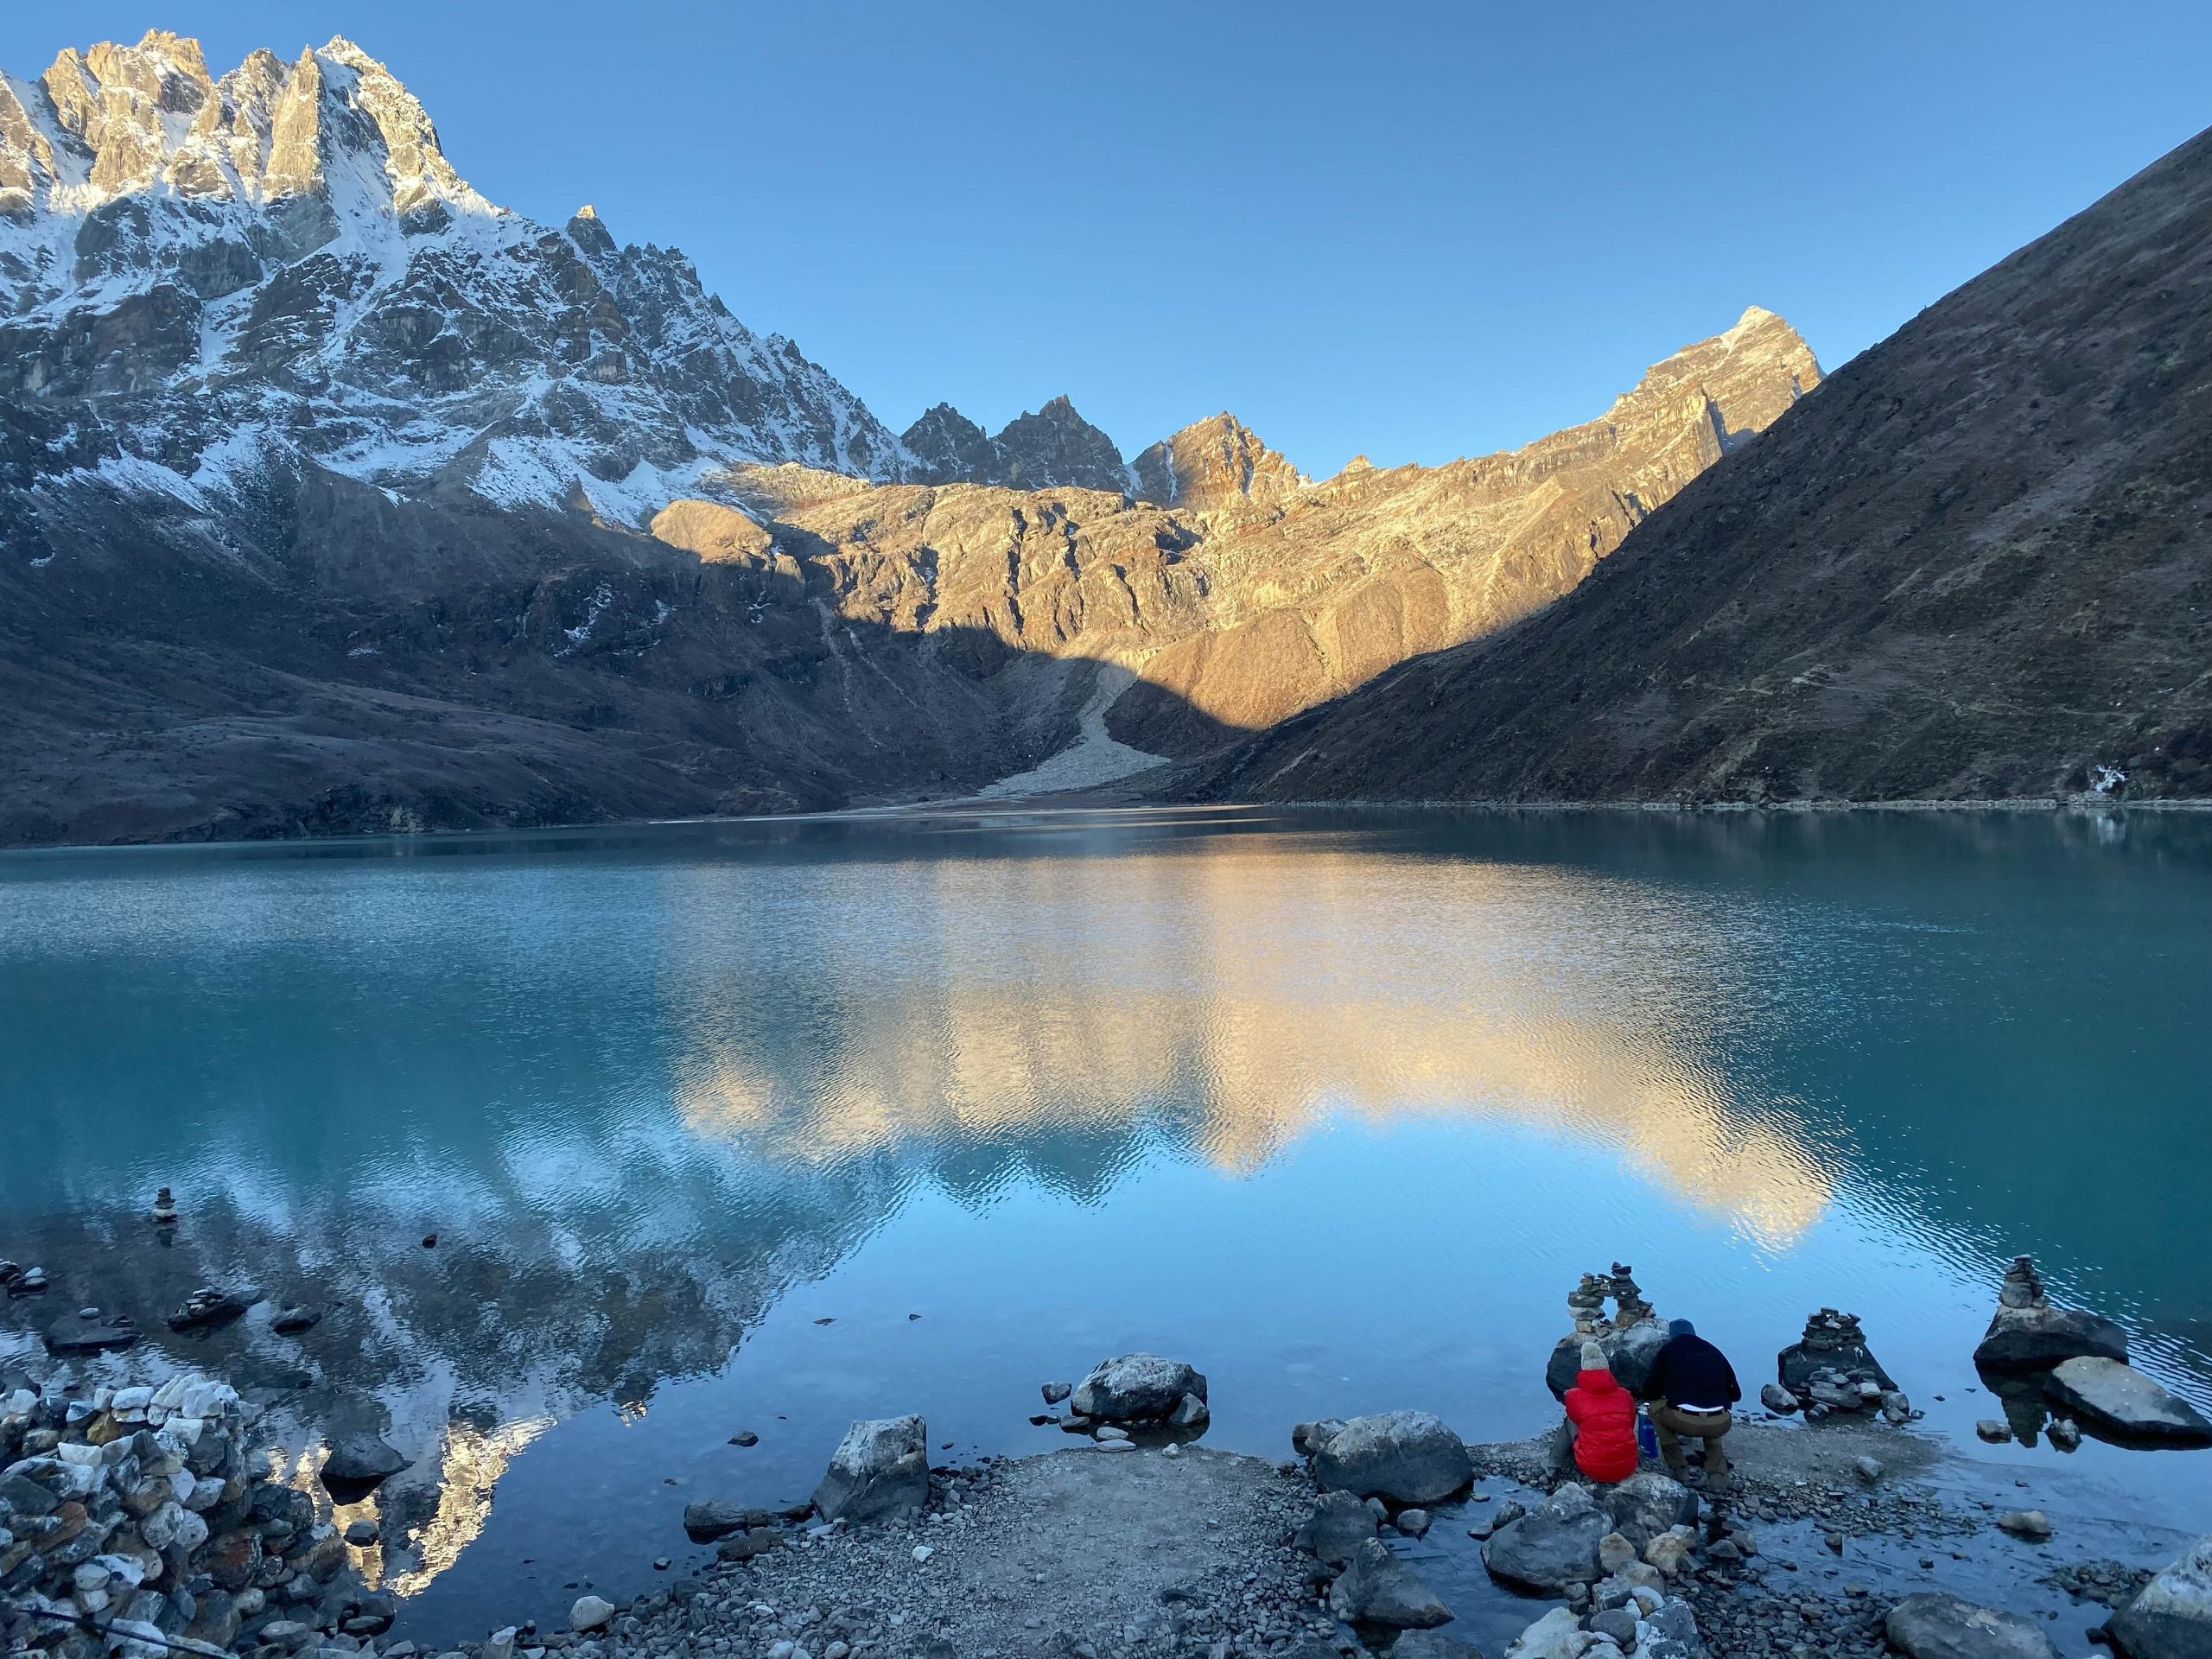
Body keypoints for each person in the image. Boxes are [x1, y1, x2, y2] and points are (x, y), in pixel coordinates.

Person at [1645, 1318, 1741, 1486]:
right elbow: (1736, 1395)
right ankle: (1717, 1476)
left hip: (1684, 1421)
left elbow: (1650, 1390)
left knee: (1655, 1409)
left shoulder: (1668, 1350)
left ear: (1671, 1335)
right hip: (1721, 1423)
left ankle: (1679, 1470)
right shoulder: (1714, 1351)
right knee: (1716, 1410)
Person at [1563, 1339, 1639, 1484]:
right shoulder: (1624, 1394)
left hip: (1593, 1468)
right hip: (1627, 1467)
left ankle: (1555, 1461)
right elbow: (1630, 1422)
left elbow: (1575, 1419)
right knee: (1629, 1417)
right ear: (1606, 1367)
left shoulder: (1574, 1395)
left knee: (1570, 1421)